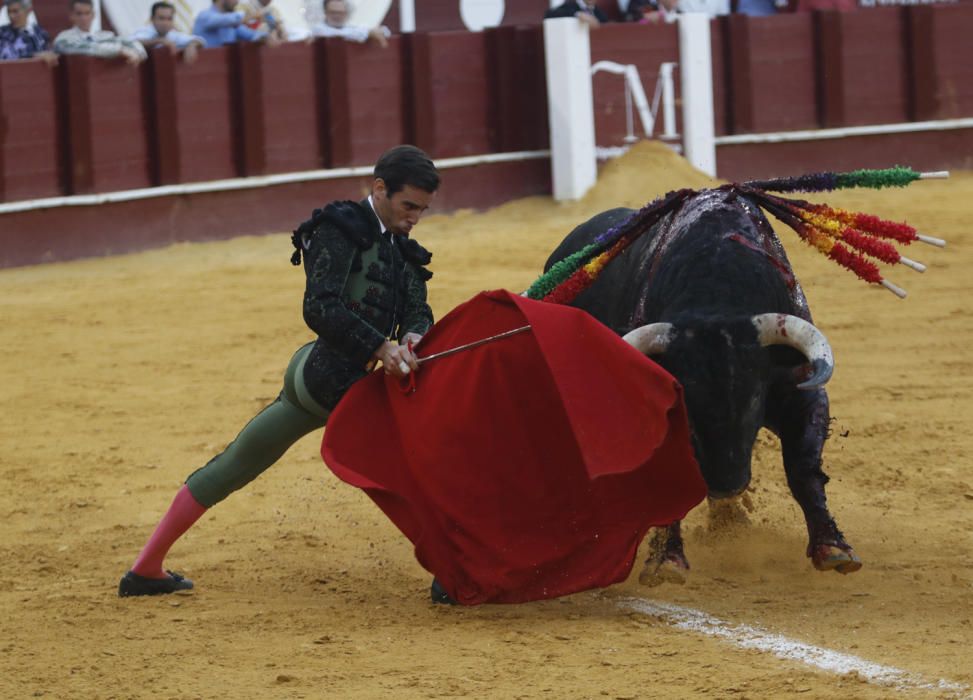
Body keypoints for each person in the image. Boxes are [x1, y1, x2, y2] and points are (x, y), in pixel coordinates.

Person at [118, 145, 441, 600]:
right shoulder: (342, 227)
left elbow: (416, 308)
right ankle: (451, 568)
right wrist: (379, 346)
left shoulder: (400, 247)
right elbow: (319, 305)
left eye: (423, 210)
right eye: (409, 206)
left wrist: (412, 336)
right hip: (328, 382)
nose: (415, 218)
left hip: (334, 378)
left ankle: (146, 568)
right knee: (409, 469)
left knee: (239, 461)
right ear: (379, 189)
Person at [53, 0, 147, 64]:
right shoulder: (64, 39)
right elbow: (84, 48)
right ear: (72, 16)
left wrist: (139, 54)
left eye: (87, 13)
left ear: (93, 15)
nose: (83, 18)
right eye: (79, 14)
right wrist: (119, 50)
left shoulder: (104, 36)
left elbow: (132, 42)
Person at [130, 2, 204, 64]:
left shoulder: (172, 34)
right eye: (161, 18)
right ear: (152, 19)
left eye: (169, 19)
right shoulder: (146, 31)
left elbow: (200, 40)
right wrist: (160, 40)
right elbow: (132, 42)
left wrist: (192, 45)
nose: (166, 23)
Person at [193, 0, 278, 48]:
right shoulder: (204, 16)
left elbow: (251, 35)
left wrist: (266, 37)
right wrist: (252, 16)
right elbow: (224, 20)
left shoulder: (232, 23)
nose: (237, 2)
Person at [311, 0, 390, 47]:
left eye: (341, 13)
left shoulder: (349, 28)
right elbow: (338, 35)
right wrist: (368, 33)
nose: (337, 16)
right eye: (333, 12)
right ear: (325, 12)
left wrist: (378, 31)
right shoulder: (319, 29)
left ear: (346, 14)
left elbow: (386, 32)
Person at [0, 0, 57, 64]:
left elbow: (50, 54)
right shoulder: (3, 33)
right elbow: (6, 56)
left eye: (15, 11)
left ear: (28, 10)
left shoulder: (40, 33)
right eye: (9, 12)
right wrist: (34, 56)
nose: (11, 16)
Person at [544, 0, 610, 28]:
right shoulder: (570, 4)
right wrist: (578, 14)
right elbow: (549, 14)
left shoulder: (598, 12)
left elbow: (605, 23)